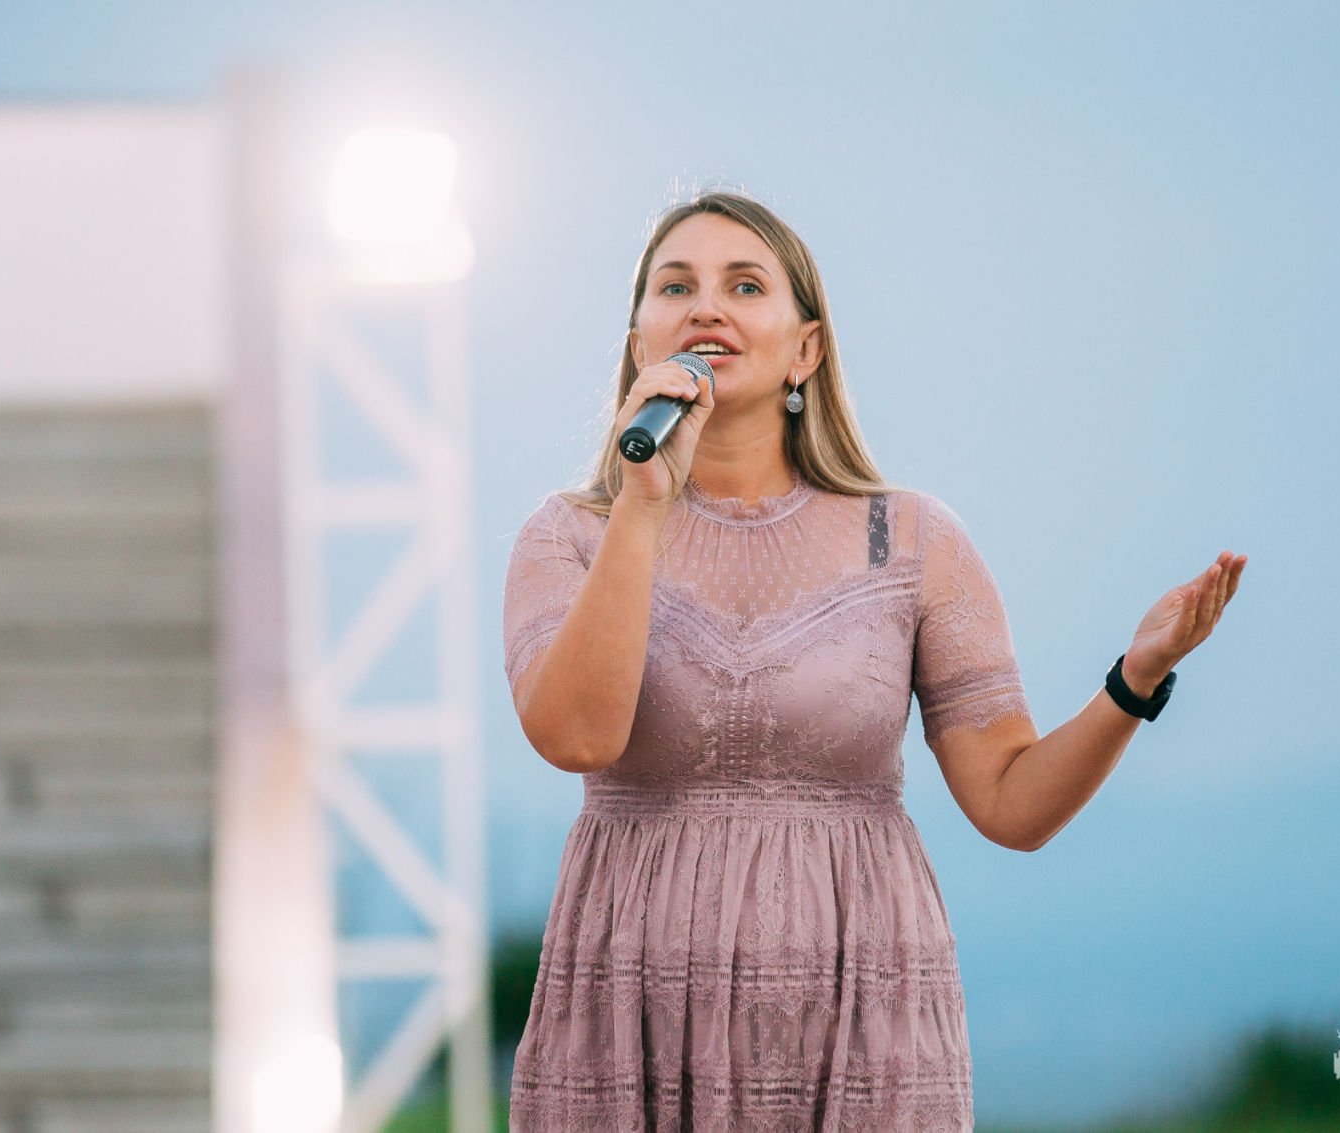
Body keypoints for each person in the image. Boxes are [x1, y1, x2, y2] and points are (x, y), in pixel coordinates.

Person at [500, 189, 1246, 1131]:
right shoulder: (569, 535)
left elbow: (1012, 804)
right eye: (676, 286)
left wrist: (1133, 679)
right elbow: (576, 735)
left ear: (806, 350)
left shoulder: (912, 541)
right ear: (638, 338)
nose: (706, 306)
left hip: (860, 1018)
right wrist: (643, 507)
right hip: (636, 1011)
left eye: (745, 285)